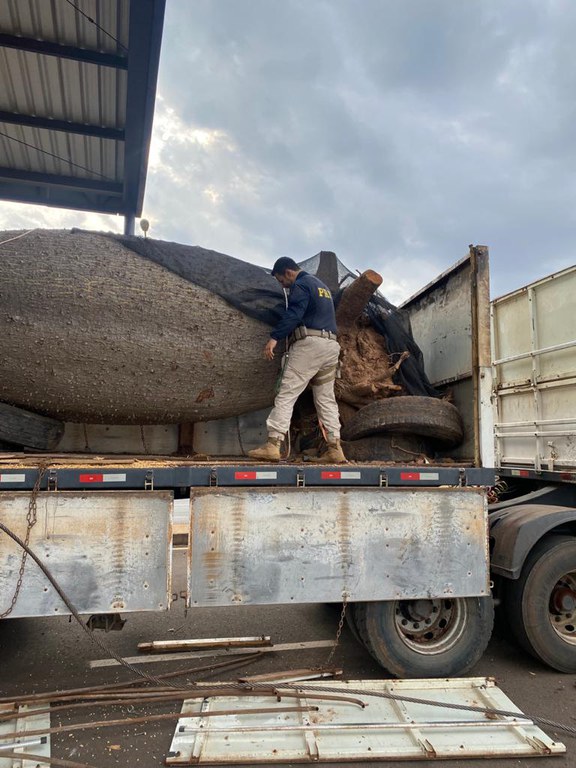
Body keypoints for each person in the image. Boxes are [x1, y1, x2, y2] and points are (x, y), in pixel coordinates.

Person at [248, 257, 346, 463]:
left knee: (287, 392)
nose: (281, 285)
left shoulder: (301, 285)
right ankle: (335, 448)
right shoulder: (322, 287)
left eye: (280, 280)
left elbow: (294, 313)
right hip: (331, 347)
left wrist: (274, 338)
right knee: (326, 398)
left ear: (288, 273)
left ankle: (273, 445)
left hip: (310, 344)